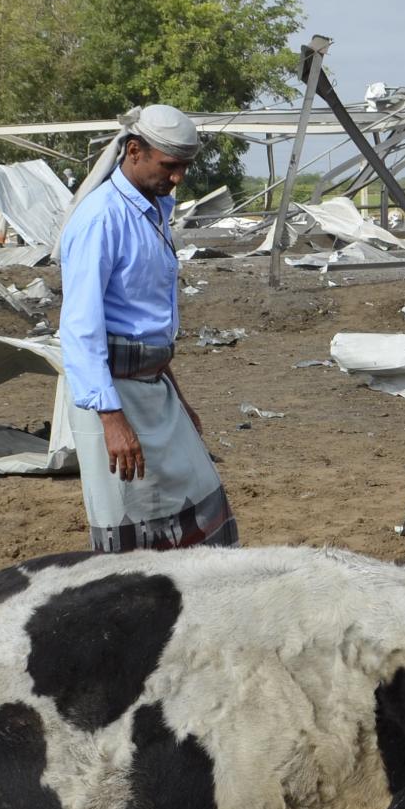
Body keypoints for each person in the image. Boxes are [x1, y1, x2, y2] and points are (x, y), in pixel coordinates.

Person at [56, 104, 238, 551]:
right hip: (114, 393)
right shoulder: (102, 218)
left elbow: (146, 320)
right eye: (170, 166)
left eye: (184, 168)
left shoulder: (154, 209)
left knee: (199, 495)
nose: (178, 178)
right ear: (134, 151)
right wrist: (111, 418)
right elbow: (80, 327)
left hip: (156, 388)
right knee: (133, 516)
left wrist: (179, 397)